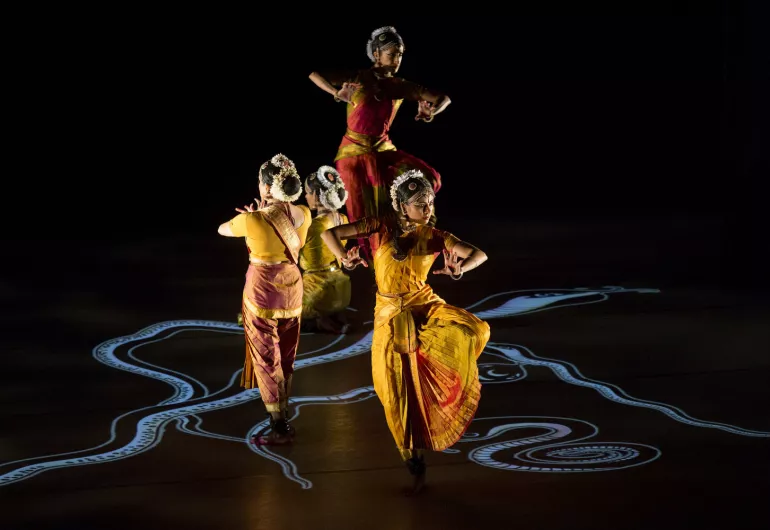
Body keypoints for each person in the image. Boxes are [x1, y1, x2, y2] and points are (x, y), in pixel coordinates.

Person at [320, 169, 490, 493]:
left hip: (423, 308)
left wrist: (459, 269)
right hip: (389, 316)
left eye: (429, 203)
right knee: (391, 391)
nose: (427, 209)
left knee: (473, 331)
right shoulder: (380, 225)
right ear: (401, 205)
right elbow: (332, 233)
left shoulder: (435, 235)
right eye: (419, 204)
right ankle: (411, 456)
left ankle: (439, 400)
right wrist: (345, 258)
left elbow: (478, 254)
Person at [309, 25, 451, 261]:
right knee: (364, 212)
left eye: (400, 54)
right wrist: (335, 93)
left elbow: (443, 99)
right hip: (353, 151)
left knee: (429, 177)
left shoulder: (399, 85)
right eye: (392, 53)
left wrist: (432, 112)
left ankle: (420, 236)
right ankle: (373, 259)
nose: (397, 59)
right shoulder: (357, 77)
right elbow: (314, 75)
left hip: (383, 149)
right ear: (376, 54)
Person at [218, 154, 312, 445]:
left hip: (262, 293)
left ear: (269, 188)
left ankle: (279, 424)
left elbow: (222, 229)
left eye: (261, 182)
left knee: (266, 357)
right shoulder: (304, 214)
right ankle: (282, 408)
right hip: (293, 289)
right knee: (286, 354)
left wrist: (254, 217)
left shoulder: (251, 220)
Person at [299, 165, 353, 334]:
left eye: (308, 192)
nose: (306, 196)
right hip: (343, 289)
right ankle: (333, 316)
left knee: (272, 311)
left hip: (317, 292)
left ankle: (321, 321)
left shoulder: (313, 226)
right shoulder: (343, 219)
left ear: (316, 195)